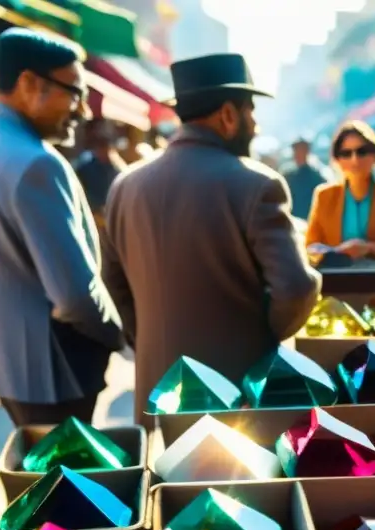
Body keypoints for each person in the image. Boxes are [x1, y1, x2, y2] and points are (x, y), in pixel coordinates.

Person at [101, 53, 321, 422]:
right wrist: (260, 338)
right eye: (250, 111)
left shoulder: (125, 185)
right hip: (235, 392)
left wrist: (149, 340)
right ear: (228, 115)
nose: (255, 124)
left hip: (157, 388)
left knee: (165, 477)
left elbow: (114, 282)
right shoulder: (258, 184)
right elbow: (296, 288)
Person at [0, 28, 122, 427]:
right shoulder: (36, 162)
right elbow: (74, 296)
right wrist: (117, 334)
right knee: (70, 484)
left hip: (7, 363)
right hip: (57, 368)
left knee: (42, 478)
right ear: (29, 84)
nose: (83, 110)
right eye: (75, 92)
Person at [306, 121, 375, 262]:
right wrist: (332, 252)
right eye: (346, 153)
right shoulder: (324, 195)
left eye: (361, 152)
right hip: (335, 279)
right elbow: (310, 246)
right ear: (337, 159)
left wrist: (369, 248)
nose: (354, 160)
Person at [73, 119, 127, 226]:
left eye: (107, 146)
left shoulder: (116, 167)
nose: (105, 151)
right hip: (92, 217)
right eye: (101, 146)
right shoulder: (84, 165)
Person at [281, 135, 332, 220]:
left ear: (307, 151)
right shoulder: (287, 175)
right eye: (296, 149)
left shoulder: (317, 177)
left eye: (302, 149)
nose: (298, 153)